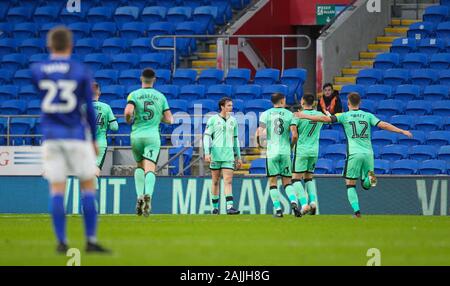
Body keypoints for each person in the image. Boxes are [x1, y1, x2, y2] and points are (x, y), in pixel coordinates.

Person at [30, 26, 109, 253]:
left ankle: (62, 242)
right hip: (76, 136)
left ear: (49, 46)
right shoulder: (81, 71)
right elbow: (90, 111)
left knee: (57, 189)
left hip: (52, 137)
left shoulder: (37, 69)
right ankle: (91, 241)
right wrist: (93, 138)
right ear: (71, 46)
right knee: (87, 187)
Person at [296, 92, 413, 217]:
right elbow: (383, 124)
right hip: (368, 153)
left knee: (350, 184)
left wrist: (303, 115)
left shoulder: (345, 116)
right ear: (360, 103)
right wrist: (402, 131)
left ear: (348, 103)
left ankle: (357, 212)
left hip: (354, 153)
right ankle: (368, 179)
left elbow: (325, 119)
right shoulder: (367, 115)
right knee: (366, 184)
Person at [124, 68, 173, 216]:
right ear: (154, 80)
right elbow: (170, 119)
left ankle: (139, 195)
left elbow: (128, 112)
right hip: (152, 136)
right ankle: (148, 196)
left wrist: (128, 120)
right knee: (150, 168)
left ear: (141, 79)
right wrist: (159, 117)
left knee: (139, 166)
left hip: (136, 136)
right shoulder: (160, 96)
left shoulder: (134, 94)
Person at [256, 93, 300, 218]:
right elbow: (295, 135)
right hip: (285, 152)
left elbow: (259, 133)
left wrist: (260, 145)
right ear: (282, 101)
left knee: (273, 182)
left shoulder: (266, 114)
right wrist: (291, 146)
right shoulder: (290, 114)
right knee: (287, 182)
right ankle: (293, 202)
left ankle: (279, 210)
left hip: (272, 152)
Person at [203, 97, 242, 215]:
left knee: (228, 181)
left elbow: (235, 139)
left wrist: (238, 156)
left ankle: (230, 207)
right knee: (215, 181)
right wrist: (206, 152)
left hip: (228, 155)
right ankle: (215, 208)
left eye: (231, 105)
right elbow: (206, 136)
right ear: (222, 107)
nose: (231, 107)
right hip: (215, 154)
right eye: (229, 105)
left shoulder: (233, 121)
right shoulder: (213, 120)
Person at [292, 94, 325, 215]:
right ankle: (313, 202)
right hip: (314, 151)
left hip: (302, 150)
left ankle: (304, 204)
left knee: (295, 178)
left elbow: (294, 134)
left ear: (302, 102)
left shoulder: (298, 116)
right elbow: (329, 119)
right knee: (308, 177)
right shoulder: (320, 115)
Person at [92, 82, 118, 178]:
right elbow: (114, 127)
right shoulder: (106, 107)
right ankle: (93, 192)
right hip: (100, 143)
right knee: (95, 170)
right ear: (99, 93)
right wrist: (107, 123)